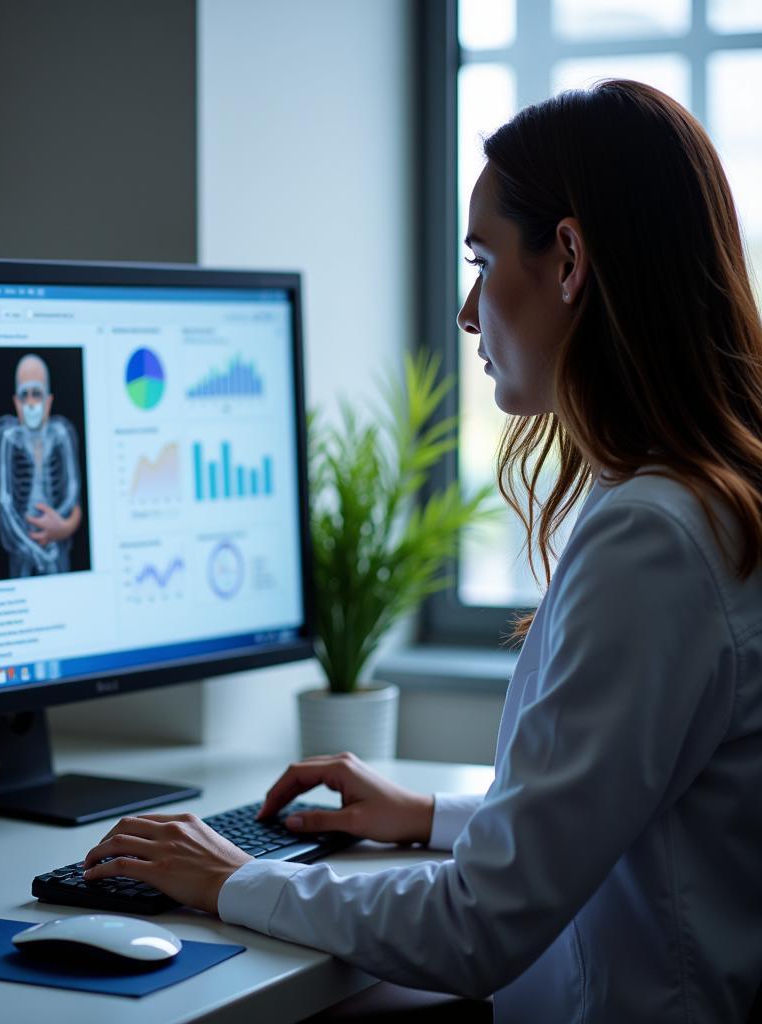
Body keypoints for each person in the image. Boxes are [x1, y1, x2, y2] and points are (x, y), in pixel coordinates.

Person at [82, 80, 762, 1022]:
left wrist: (230, 879)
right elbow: (608, 814)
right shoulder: (700, 502)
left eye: (484, 261)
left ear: (569, 258)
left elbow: (479, 925)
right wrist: (428, 816)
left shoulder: (654, 540)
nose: (469, 312)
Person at [0, 353, 82, 577]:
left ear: (48, 401)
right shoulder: (9, 438)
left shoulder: (60, 434)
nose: (31, 403)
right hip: (22, 547)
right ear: (16, 402)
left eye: (37, 394)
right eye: (25, 395)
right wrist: (31, 547)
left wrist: (61, 527)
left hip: (55, 546)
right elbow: (6, 502)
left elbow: (73, 494)